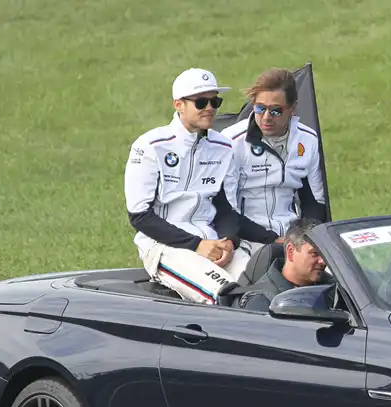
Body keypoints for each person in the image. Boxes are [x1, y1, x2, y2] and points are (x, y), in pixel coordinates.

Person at [125, 67, 280, 304]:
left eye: (214, 101)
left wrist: (228, 240)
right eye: (200, 102)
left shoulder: (223, 147)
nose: (209, 108)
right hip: (165, 247)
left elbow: (224, 208)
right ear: (178, 105)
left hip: (212, 242)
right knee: (226, 295)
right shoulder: (150, 146)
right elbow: (139, 216)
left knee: (268, 290)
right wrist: (197, 245)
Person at [221, 68, 327, 255]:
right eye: (260, 108)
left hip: (293, 238)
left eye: (276, 111)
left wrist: (304, 238)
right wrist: (270, 239)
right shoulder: (231, 142)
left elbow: (315, 202)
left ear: (292, 109)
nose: (266, 117)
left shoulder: (308, 140)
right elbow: (226, 210)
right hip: (247, 240)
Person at [231, 218, 332, 312]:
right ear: (291, 251)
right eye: (315, 254)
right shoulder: (262, 303)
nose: (323, 261)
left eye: (324, 254)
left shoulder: (333, 288)